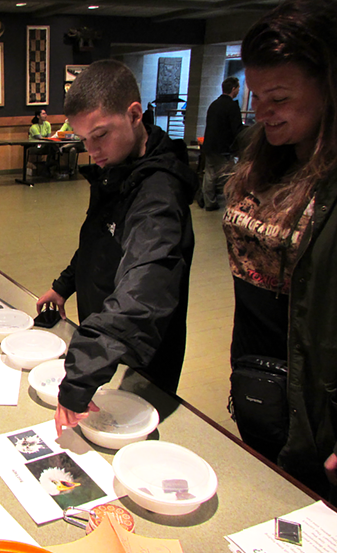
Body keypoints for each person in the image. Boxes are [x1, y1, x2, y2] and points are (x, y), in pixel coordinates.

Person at [36, 60, 197, 437]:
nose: (92, 150)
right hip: (102, 344)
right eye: (84, 140)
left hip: (135, 350)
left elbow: (142, 291)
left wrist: (80, 378)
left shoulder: (158, 194)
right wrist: (65, 284)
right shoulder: (117, 167)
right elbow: (100, 239)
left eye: (100, 135)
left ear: (135, 115)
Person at [222, 0, 337, 502]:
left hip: (316, 402)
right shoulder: (268, 154)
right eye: (255, 96)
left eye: (280, 97)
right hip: (257, 374)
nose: (261, 111)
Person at [201, 77, 244, 211]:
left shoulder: (214, 104)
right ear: (233, 89)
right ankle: (232, 205)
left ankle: (209, 202)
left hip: (209, 145)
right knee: (229, 176)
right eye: (238, 88)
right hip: (223, 148)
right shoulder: (232, 106)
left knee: (209, 174)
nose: (238, 90)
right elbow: (236, 128)